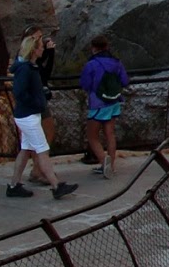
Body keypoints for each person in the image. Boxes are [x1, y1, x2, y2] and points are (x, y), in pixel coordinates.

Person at [7, 33, 75, 199]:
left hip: (28, 114)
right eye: (40, 47)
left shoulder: (30, 67)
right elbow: (19, 92)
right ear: (34, 50)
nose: (42, 49)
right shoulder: (25, 69)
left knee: (26, 150)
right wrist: (37, 103)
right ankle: (56, 186)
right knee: (42, 150)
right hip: (29, 116)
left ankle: (14, 185)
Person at [78, 36, 130, 179]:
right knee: (110, 134)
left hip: (98, 104)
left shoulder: (92, 64)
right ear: (107, 46)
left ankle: (104, 163)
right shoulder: (116, 62)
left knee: (92, 136)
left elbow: (85, 83)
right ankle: (111, 165)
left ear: (93, 48)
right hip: (114, 102)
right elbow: (124, 81)